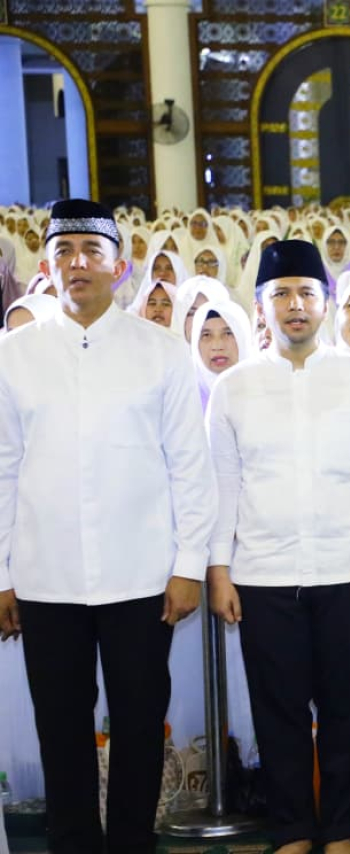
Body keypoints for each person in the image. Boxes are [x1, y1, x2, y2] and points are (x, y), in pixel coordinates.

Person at [0, 199, 217, 854]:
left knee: (138, 720)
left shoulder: (162, 352)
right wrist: (4, 574)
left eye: (91, 251)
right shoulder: (16, 354)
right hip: (47, 577)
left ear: (119, 266)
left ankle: (130, 843)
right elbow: (3, 469)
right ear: (45, 266)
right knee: (61, 727)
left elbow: (190, 467)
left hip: (141, 574)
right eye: (64, 252)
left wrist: (188, 565)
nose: (78, 264)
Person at [206, 240, 350, 854]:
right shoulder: (234, 387)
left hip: (349, 569)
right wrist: (218, 566)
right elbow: (224, 483)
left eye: (307, 294)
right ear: (261, 306)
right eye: (282, 294)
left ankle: (339, 827)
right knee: (279, 709)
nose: (295, 306)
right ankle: (292, 829)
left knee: (346, 707)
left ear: (326, 303)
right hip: (263, 573)